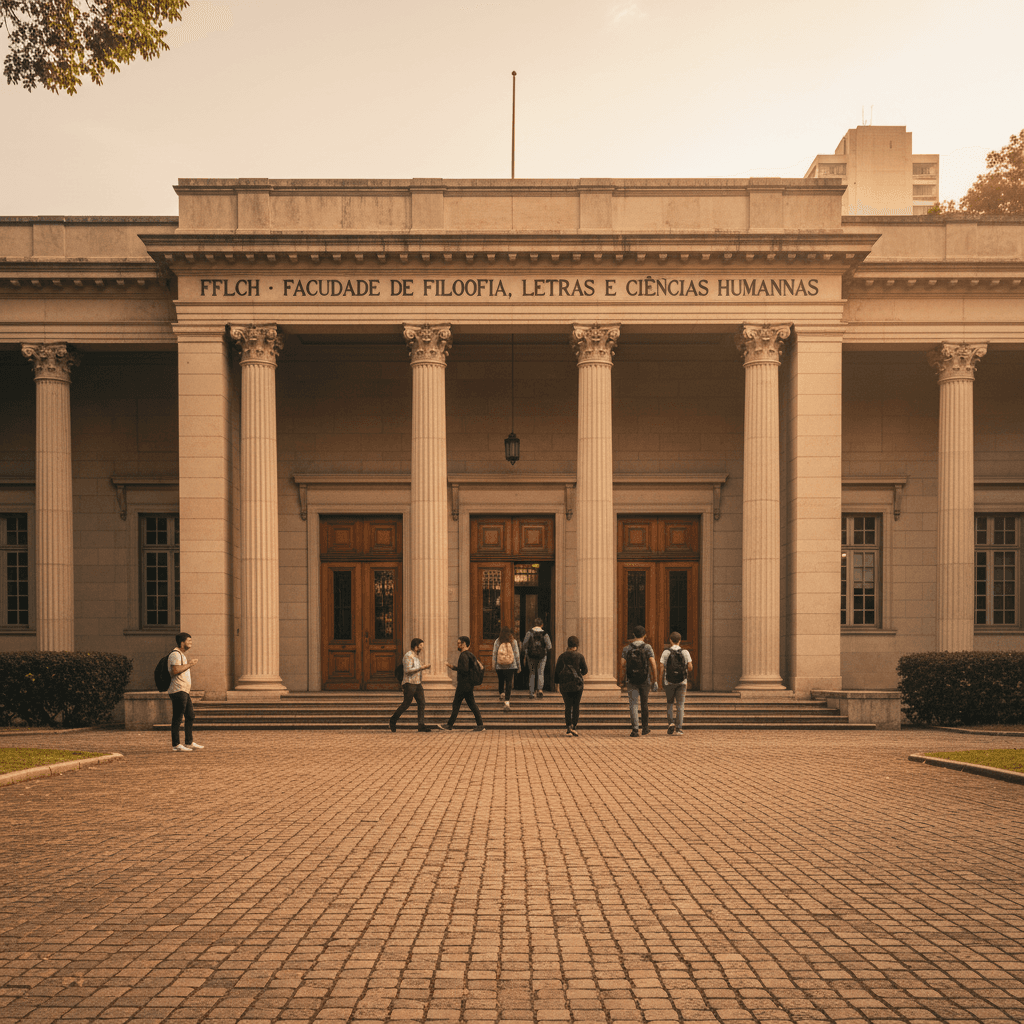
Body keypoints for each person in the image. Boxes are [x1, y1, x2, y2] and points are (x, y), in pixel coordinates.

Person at [619, 624, 659, 737]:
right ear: (644, 635)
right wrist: (655, 680)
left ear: (633, 635)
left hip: (631, 680)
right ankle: (645, 728)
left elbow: (622, 665)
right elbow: (653, 664)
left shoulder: (627, 648)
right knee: (644, 703)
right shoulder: (647, 647)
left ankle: (635, 729)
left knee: (633, 704)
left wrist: (622, 679)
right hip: (645, 679)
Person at [390, 638, 434, 732]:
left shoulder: (416, 656)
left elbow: (416, 669)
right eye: (421, 646)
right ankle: (393, 720)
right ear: (416, 646)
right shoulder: (408, 655)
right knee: (406, 703)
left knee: (422, 703)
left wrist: (423, 668)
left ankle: (421, 725)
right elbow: (407, 670)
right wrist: (422, 667)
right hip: (409, 683)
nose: (422, 647)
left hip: (417, 683)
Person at [168, 631, 203, 751]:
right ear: (182, 642)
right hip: (178, 690)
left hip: (184, 690)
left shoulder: (181, 654)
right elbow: (175, 670)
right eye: (189, 641)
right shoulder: (175, 654)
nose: (191, 643)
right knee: (177, 718)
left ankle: (189, 742)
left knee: (190, 715)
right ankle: (176, 745)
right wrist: (190, 664)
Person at [442, 636, 485, 731]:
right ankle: (480, 725)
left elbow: (464, 670)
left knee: (456, 704)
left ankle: (449, 725)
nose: (457, 645)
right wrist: (452, 666)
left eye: (458, 643)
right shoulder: (471, 655)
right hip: (469, 684)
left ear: (464, 644)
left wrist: (452, 667)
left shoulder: (463, 655)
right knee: (471, 704)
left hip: (463, 684)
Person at [659, 631, 693, 735]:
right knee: (680, 704)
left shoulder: (666, 652)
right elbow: (690, 667)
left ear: (670, 640)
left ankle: (670, 723)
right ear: (680, 641)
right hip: (682, 682)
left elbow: (661, 667)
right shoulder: (685, 652)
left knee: (669, 703)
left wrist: (661, 680)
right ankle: (679, 728)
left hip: (669, 681)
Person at [553, 636, 588, 736]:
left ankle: (568, 726)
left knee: (567, 706)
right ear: (577, 645)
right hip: (577, 685)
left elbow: (557, 671)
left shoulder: (562, 656)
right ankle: (574, 726)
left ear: (568, 644)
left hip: (565, 684)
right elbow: (585, 670)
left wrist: (557, 683)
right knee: (576, 705)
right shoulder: (580, 656)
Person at [492, 626, 520, 709]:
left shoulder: (497, 641)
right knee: (509, 682)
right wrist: (519, 666)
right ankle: (507, 701)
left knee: (501, 679)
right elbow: (517, 654)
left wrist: (494, 665)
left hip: (500, 665)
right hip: (511, 665)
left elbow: (494, 653)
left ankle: (501, 693)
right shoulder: (513, 641)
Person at [523, 618, 551, 698]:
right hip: (542, 656)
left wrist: (526, 651)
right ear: (542, 624)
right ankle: (540, 690)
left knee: (532, 673)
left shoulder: (529, 632)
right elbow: (549, 646)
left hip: (530, 655)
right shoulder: (545, 633)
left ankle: (531, 692)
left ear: (534, 624)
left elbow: (525, 644)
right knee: (540, 672)